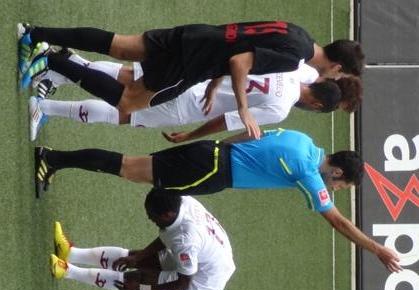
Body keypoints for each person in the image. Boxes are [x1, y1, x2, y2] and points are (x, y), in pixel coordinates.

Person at [35, 128, 401, 273]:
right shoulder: (308, 171)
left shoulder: (303, 140)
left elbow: (252, 132)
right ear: (336, 172)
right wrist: (377, 249)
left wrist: (216, 148)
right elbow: (337, 221)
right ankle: (53, 160)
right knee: (129, 170)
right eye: (341, 186)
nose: (335, 190)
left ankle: (56, 162)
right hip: (214, 171)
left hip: (211, 153)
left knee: (130, 167)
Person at [18, 20, 365, 139]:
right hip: (194, 63)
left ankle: (35, 35)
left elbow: (240, 46)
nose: (334, 77)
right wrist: (244, 109)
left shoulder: (299, 34)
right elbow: (241, 61)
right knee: (127, 103)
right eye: (340, 72)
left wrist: (215, 84)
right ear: (337, 65)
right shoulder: (294, 59)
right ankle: (55, 61)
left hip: (200, 36)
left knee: (120, 46)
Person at [50, 190, 235, 290]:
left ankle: (67, 271)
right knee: (137, 258)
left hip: (202, 283)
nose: (149, 218)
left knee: (138, 279)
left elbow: (183, 283)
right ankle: (71, 254)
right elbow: (169, 235)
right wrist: (138, 257)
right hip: (205, 255)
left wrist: (142, 289)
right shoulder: (182, 201)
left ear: (167, 214)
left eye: (153, 216)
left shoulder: (186, 241)